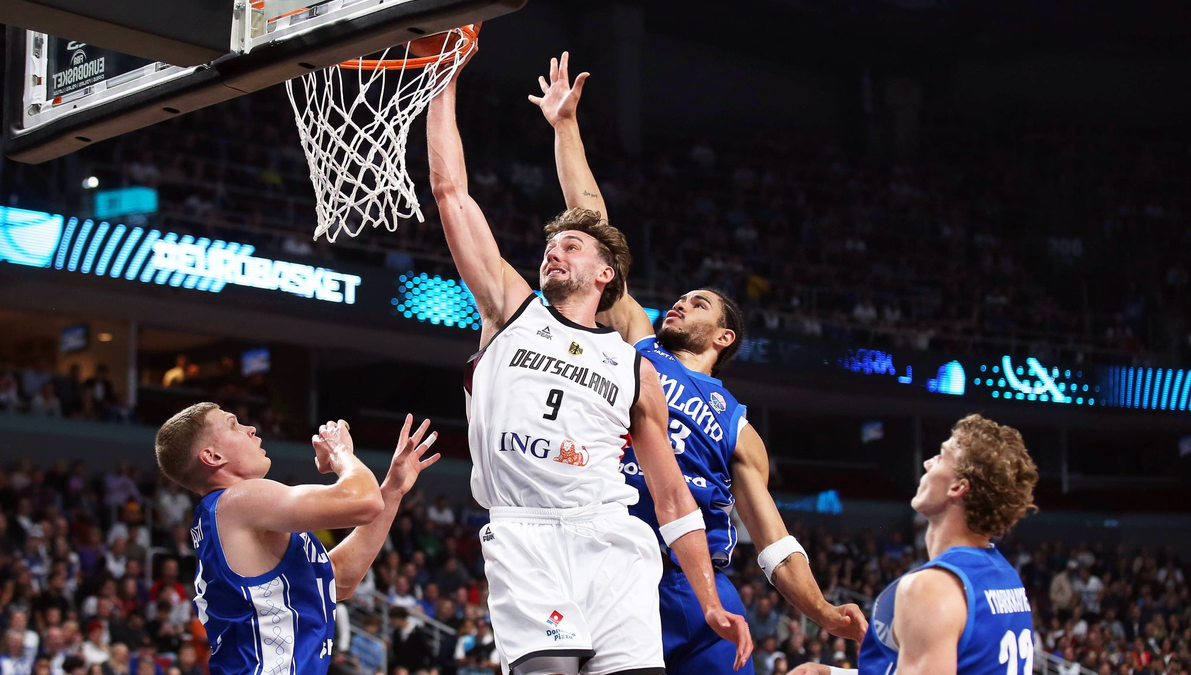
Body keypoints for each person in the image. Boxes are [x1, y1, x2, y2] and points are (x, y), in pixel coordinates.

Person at [531, 51, 867, 675]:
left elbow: (773, 539)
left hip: (697, 583)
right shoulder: (639, 343)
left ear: (724, 336)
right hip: (615, 561)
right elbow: (596, 228)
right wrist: (566, 127)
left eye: (700, 302)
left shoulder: (739, 426)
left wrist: (821, 611)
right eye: (682, 297)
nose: (681, 302)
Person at [426, 45, 752, 675]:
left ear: (605, 276)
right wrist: (442, 80)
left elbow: (672, 498)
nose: (554, 252)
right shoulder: (509, 310)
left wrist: (709, 600)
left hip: (613, 540)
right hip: (525, 532)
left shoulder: (634, 362)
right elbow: (451, 192)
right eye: (551, 246)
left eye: (570, 246)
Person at [154, 403, 438, 675]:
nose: (250, 428)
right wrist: (339, 451)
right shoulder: (238, 500)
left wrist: (392, 491)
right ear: (213, 457)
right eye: (233, 426)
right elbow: (364, 500)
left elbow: (339, 579)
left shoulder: (226, 516)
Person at [788, 414, 1039, 675]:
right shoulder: (1006, 576)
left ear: (957, 487)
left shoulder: (931, 588)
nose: (928, 463)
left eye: (941, 457)